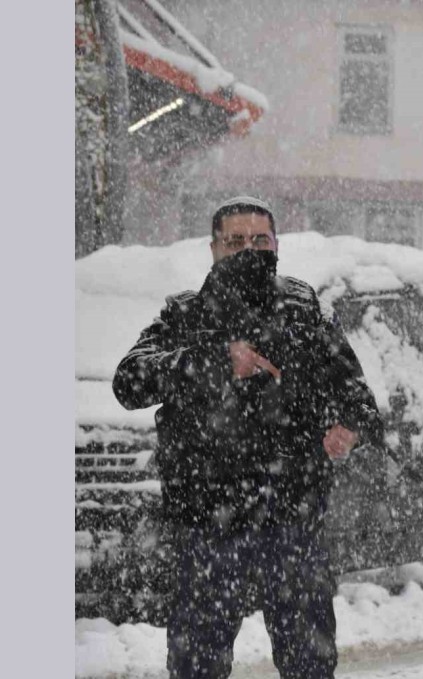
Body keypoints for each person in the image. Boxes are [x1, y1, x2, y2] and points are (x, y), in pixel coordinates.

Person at [112, 196, 383, 679]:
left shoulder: (302, 309)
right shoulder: (186, 316)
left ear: (277, 244)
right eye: (235, 241)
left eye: (259, 240)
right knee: (198, 665)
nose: (248, 250)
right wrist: (216, 359)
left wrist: (350, 429)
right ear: (213, 248)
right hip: (209, 523)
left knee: (310, 664)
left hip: (292, 521)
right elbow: (130, 382)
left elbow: (356, 394)